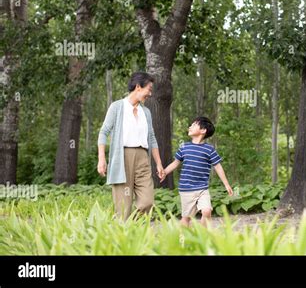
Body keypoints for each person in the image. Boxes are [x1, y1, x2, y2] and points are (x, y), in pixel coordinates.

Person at [97, 71, 164, 220]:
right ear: (138, 87)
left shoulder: (146, 112)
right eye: (149, 89)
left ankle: (131, 224)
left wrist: (159, 163)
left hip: (142, 158)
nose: (150, 94)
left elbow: (152, 138)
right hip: (122, 158)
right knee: (123, 207)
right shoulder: (117, 107)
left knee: (147, 202)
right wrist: (102, 158)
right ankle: (123, 233)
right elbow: (103, 132)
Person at [160, 117, 233, 227]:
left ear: (203, 130)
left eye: (193, 125)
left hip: (202, 188)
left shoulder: (209, 149)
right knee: (186, 218)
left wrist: (226, 184)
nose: (190, 127)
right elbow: (175, 163)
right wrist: (164, 172)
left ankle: (202, 236)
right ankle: (181, 240)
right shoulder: (184, 147)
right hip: (186, 188)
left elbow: (218, 167)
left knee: (207, 211)